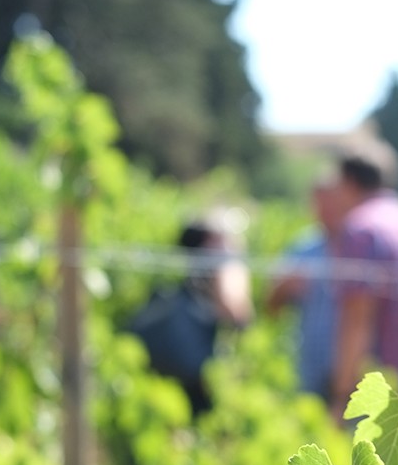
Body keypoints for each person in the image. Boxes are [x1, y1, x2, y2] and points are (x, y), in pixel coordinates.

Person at [329, 139, 398, 418]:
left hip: (383, 396)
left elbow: (358, 318)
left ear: (349, 181)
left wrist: (342, 397)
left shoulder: (360, 229)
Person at [131, 208, 253, 417]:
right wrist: (231, 270)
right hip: (189, 390)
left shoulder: (183, 296)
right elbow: (238, 313)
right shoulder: (221, 268)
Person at [265, 178, 345, 402]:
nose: (325, 210)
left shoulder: (360, 246)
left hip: (353, 366)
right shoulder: (303, 248)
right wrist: (283, 288)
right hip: (310, 366)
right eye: (319, 204)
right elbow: (270, 307)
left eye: (331, 203)